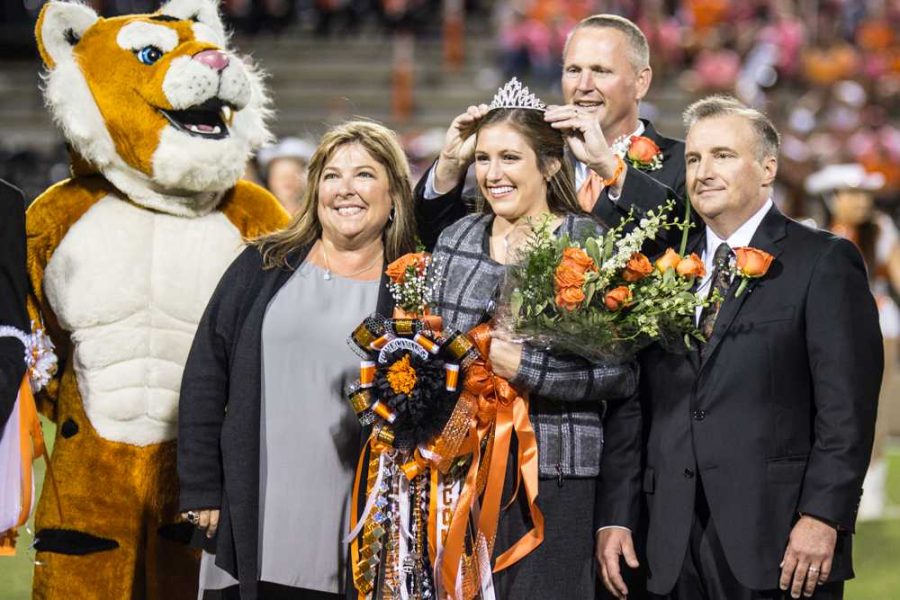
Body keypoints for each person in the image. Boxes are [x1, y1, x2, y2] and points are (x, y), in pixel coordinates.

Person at [596, 96, 882, 600]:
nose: (704, 171)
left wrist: (823, 516)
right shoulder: (659, 268)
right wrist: (616, 517)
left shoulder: (822, 261)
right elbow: (635, 407)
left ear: (767, 168)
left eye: (723, 155)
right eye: (693, 159)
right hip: (667, 541)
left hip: (780, 539)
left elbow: (846, 410)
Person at [177, 120, 417, 600]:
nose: (345, 189)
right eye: (332, 175)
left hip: (356, 520)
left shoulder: (412, 284)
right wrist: (201, 484)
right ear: (316, 190)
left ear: (394, 192)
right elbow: (206, 371)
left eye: (364, 175)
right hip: (255, 506)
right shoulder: (264, 264)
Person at [427, 82, 638, 599]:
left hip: (555, 475)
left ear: (548, 165)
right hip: (458, 464)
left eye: (508, 158)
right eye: (483, 159)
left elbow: (620, 374)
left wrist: (527, 368)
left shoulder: (587, 242)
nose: (492, 174)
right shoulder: (456, 237)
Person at [416, 14, 686, 255]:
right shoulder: (537, 160)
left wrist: (608, 167)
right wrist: (450, 168)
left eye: (601, 71)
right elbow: (439, 241)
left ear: (641, 82)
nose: (583, 85)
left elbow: (686, 236)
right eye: (573, 70)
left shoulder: (685, 163)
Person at [806, 163, 900, 521]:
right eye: (853, 194)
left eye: (865, 194)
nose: (862, 202)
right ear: (833, 197)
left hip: (878, 323)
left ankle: (871, 488)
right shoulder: (811, 231)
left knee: (871, 405)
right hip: (824, 325)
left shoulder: (881, 229)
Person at [258, 137, 316, 215]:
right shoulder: (259, 214)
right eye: (281, 177)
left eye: (293, 176)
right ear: (269, 179)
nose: (287, 182)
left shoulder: (314, 215)